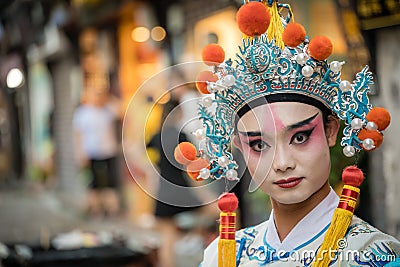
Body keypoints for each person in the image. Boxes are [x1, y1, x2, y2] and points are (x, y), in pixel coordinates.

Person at [177, 1, 400, 266]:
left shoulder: (373, 255)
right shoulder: (223, 256)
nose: (282, 163)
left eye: (300, 137)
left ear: (331, 130)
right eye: (259, 144)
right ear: (239, 146)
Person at [146, 97, 202, 267]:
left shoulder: (157, 136)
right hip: (182, 190)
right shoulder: (181, 136)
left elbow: (136, 150)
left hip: (163, 192)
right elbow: (194, 166)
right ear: (177, 113)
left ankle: (193, 238)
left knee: (167, 240)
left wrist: (152, 170)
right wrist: (202, 192)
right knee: (224, 211)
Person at [73, 76, 121, 217]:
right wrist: (80, 152)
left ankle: (111, 209)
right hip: (91, 151)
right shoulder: (83, 113)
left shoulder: (107, 110)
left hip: (108, 150)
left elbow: (120, 111)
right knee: (94, 183)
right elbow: (78, 135)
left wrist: (108, 98)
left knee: (110, 181)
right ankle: (95, 209)